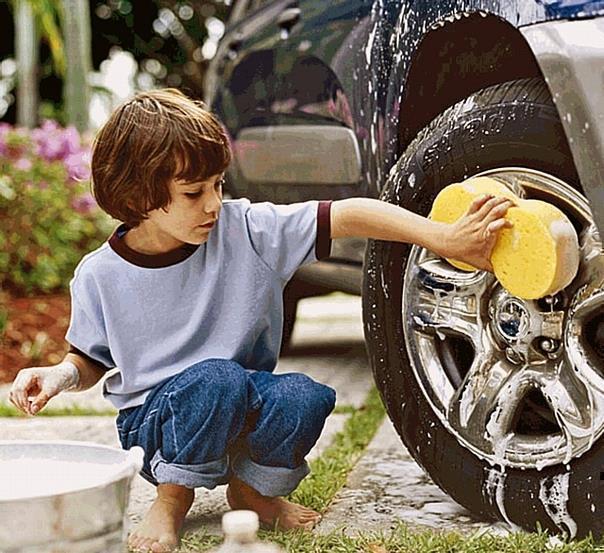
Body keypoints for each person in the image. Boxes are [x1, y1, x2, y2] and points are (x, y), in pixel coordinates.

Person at [8, 88, 512, 553]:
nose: (213, 204)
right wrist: (57, 376)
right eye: (193, 193)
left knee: (303, 396)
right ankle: (171, 499)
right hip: (156, 427)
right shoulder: (100, 275)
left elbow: (348, 215)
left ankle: (253, 493)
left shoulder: (246, 230)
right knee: (215, 378)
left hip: (238, 399)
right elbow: (91, 359)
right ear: (140, 197)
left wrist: (442, 238)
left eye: (217, 185)